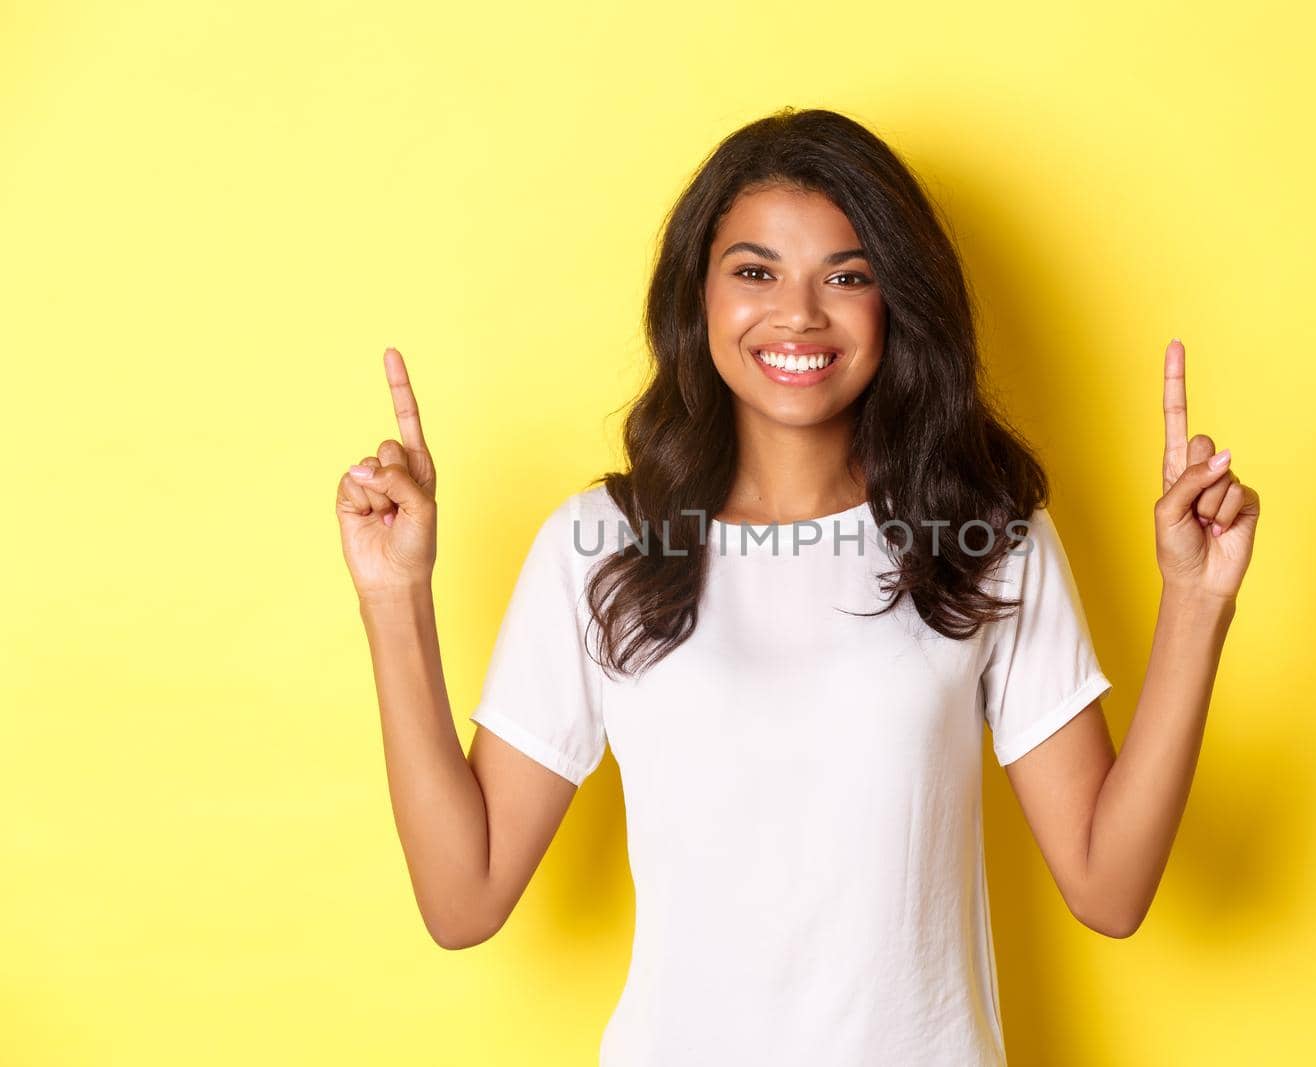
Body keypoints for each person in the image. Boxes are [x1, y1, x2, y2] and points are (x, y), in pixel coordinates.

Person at [335, 107, 1259, 1066]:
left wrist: (1197, 604)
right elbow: (462, 897)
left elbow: (1109, 890)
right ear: (698, 295)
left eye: (848, 275)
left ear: (896, 301)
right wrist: (393, 595)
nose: (799, 314)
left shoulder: (985, 538)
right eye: (756, 270)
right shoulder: (599, 544)